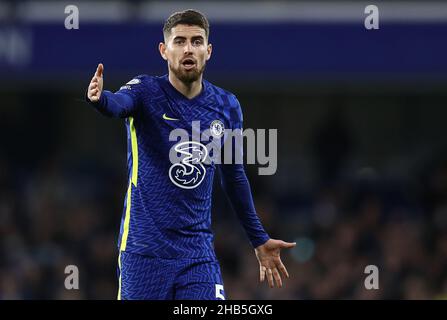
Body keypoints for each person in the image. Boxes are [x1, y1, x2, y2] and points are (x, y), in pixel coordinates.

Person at [86, 9, 295, 300]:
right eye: (180, 41)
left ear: (208, 51)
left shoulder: (226, 105)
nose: (188, 48)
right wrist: (100, 99)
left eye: (197, 41)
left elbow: (233, 178)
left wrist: (258, 238)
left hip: (197, 256)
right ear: (164, 50)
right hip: (144, 253)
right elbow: (118, 104)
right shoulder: (145, 91)